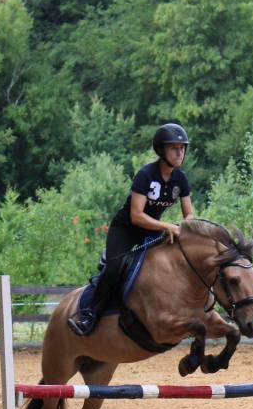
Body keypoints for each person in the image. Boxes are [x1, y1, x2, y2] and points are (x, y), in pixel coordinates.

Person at [68, 122, 195, 335]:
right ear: (161, 150)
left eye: (182, 148)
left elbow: (189, 214)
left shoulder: (180, 179)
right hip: (126, 229)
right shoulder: (146, 175)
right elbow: (136, 216)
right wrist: (167, 226)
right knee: (115, 269)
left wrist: (185, 226)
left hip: (153, 230)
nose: (179, 152)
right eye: (174, 148)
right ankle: (89, 315)